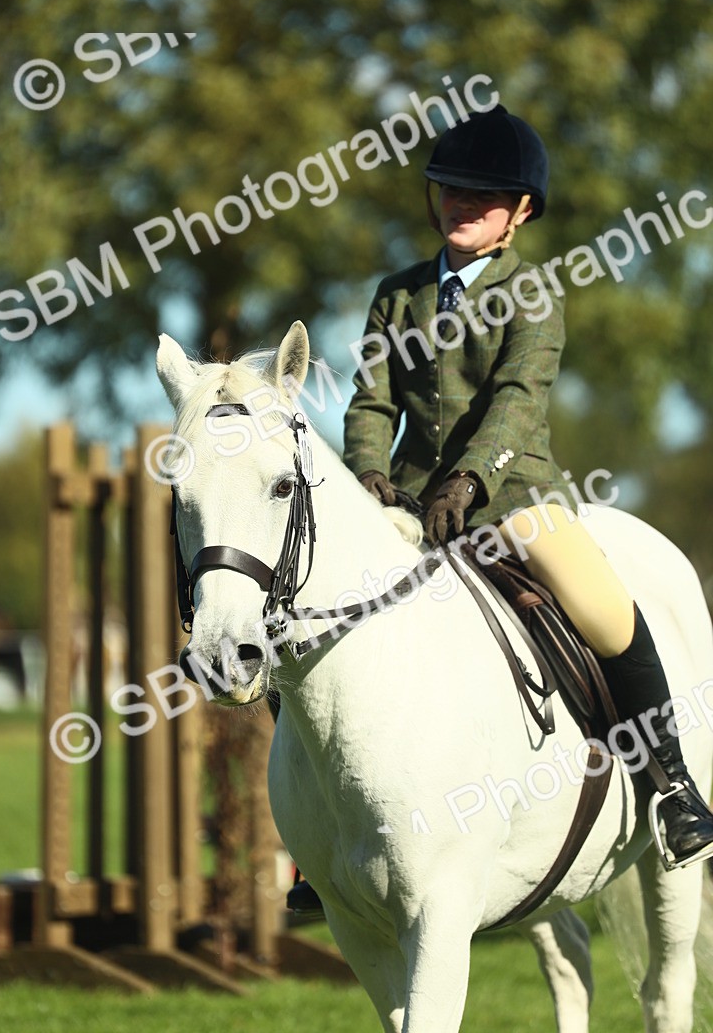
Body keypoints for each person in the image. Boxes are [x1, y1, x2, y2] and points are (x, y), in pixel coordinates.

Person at [288, 103, 713, 915]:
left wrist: (472, 479)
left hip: (517, 496)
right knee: (310, 620)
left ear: (520, 213)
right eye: (450, 191)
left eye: (483, 199)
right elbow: (371, 399)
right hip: (407, 500)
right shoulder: (398, 295)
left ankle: (673, 785)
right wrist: (371, 474)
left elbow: (519, 400)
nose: (461, 206)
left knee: (606, 609)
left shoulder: (536, 292)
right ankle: (318, 841)